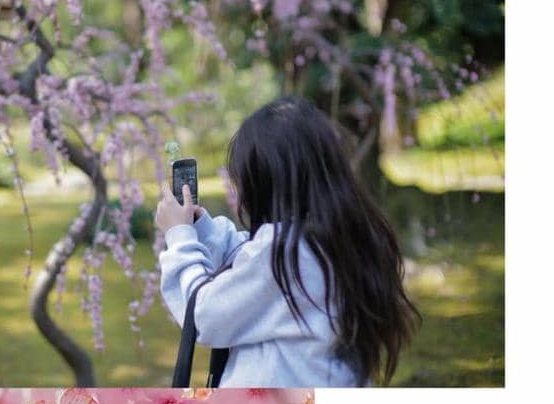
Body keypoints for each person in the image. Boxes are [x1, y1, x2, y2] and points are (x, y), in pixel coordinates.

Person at [155, 97, 419, 386]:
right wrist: (198, 228)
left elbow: (204, 316)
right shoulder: (341, 237)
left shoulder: (283, 253)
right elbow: (248, 262)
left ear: (264, 182)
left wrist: (179, 238)